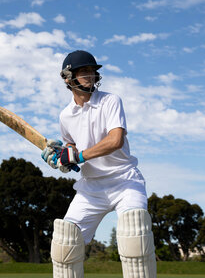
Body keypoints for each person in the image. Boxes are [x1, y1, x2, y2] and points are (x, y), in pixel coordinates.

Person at [41, 50, 156, 278]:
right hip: (91, 187)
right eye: (84, 72)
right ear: (68, 77)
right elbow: (72, 148)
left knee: (135, 237)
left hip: (124, 180)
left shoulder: (110, 101)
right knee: (65, 244)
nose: (91, 76)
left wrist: (79, 156)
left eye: (93, 72)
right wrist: (61, 158)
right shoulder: (65, 116)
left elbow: (115, 140)